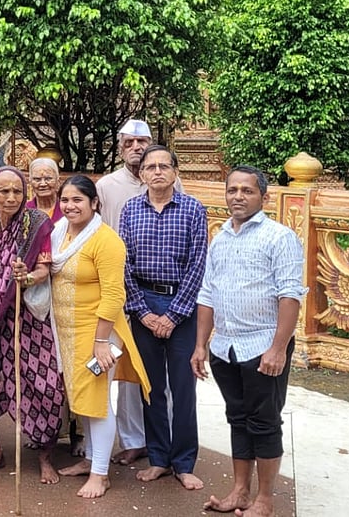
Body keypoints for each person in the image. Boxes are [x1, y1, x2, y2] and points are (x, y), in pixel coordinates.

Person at [193, 166, 305, 517]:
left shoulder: (279, 237)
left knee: (265, 422)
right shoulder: (221, 238)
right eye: (233, 190)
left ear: (264, 197)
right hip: (225, 347)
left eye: (247, 190)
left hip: (263, 347)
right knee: (237, 419)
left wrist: (278, 348)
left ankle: (265, 499)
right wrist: (201, 345)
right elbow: (207, 293)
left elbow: (290, 295)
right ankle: (240, 492)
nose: (238, 196)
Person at [49, 175, 151, 499]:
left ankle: (101, 474)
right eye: (65, 200)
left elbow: (113, 295)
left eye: (78, 200)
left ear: (94, 203)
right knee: (82, 399)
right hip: (67, 332)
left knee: (98, 401)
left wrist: (101, 341)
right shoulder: (59, 233)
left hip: (99, 333)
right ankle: (91, 460)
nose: (70, 206)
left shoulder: (106, 240)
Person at [0, 166, 64, 484]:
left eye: (17, 191)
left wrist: (27, 277)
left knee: (45, 386)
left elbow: (44, 271)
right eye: (4, 191)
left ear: (25, 195)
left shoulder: (36, 224)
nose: (11, 197)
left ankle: (45, 457)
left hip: (28, 318)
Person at [120, 144, 207, 490]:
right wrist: (142, 312)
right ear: (141, 174)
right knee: (151, 387)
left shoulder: (193, 209)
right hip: (143, 303)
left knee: (183, 389)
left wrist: (173, 315)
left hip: (181, 306)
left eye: (163, 166)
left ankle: (183, 462)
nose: (157, 172)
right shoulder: (130, 210)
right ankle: (158, 458)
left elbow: (198, 265)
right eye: (150, 167)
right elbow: (123, 264)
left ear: (175, 172)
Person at [95, 118, 173, 466]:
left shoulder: (168, 179)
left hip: (159, 286)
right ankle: (133, 439)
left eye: (142, 142)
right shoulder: (107, 186)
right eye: (129, 143)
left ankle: (165, 438)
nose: (137, 148)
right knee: (126, 368)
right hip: (118, 287)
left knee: (162, 371)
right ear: (120, 147)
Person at [26, 157, 63, 221]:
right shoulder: (24, 210)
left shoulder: (66, 208)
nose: (43, 184)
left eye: (48, 179)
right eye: (37, 179)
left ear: (58, 181)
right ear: (30, 182)